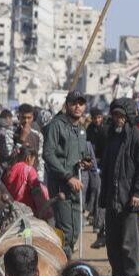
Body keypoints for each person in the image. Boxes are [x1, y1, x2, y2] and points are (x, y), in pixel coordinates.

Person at [96, 100, 139, 276]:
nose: (117, 119)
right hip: (112, 199)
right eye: (115, 115)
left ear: (128, 117)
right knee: (112, 244)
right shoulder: (111, 136)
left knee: (129, 244)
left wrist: (138, 193)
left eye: (121, 116)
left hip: (129, 199)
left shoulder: (138, 138)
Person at [42, 93, 95, 251]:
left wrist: (85, 162)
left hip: (77, 187)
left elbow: (81, 155)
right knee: (66, 232)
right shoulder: (56, 125)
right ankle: (64, 270)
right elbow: (48, 154)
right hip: (61, 186)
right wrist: (67, 176)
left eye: (81, 103)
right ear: (67, 105)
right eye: (74, 103)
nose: (77, 106)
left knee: (76, 231)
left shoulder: (81, 129)